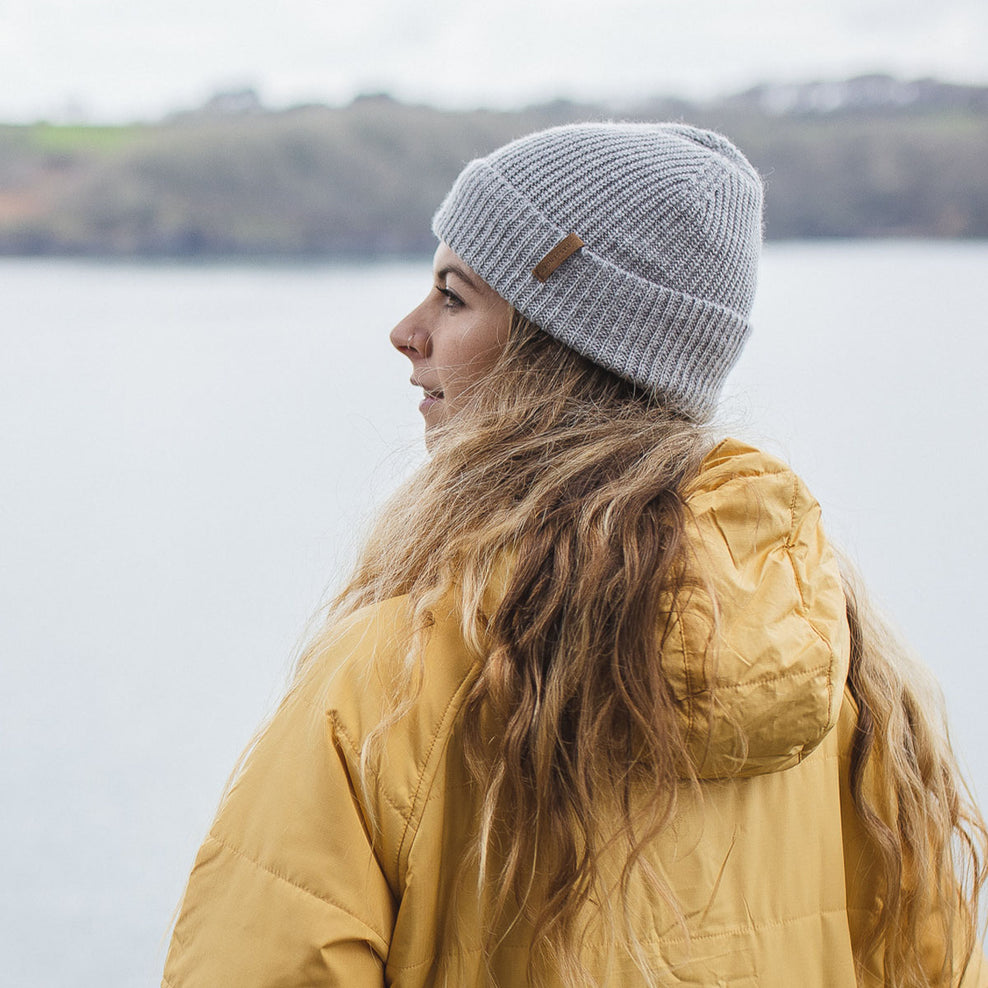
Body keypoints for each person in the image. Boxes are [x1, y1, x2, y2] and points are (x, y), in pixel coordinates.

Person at [162, 123, 987, 987]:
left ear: (561, 345)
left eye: (454, 295)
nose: (407, 331)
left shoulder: (395, 681)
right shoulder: (843, 678)